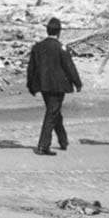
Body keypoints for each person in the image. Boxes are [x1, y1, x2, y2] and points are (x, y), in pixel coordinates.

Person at [26, 17, 82, 156]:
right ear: (59, 32)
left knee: (54, 111)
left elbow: (31, 68)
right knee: (52, 113)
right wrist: (77, 83)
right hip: (58, 86)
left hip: (44, 86)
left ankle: (63, 141)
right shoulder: (61, 47)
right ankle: (43, 146)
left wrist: (31, 86)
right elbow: (69, 67)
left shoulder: (38, 47)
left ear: (47, 30)